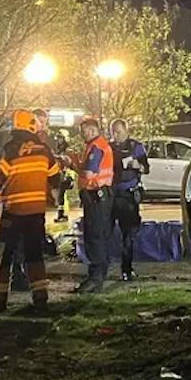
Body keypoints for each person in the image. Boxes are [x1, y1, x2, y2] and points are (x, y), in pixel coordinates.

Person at [0, 110, 63, 314]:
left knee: (4, 256)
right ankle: (40, 300)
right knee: (34, 255)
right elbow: (55, 178)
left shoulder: (10, 150)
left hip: (13, 212)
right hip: (36, 212)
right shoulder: (44, 150)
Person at [75, 117, 115, 293]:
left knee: (94, 237)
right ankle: (99, 275)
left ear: (91, 130)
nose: (82, 135)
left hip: (96, 198)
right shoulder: (99, 145)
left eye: (83, 131)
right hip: (102, 197)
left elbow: (89, 173)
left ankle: (95, 278)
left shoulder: (96, 147)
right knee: (101, 235)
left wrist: (71, 165)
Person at [108, 118, 148, 282]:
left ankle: (126, 269)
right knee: (105, 233)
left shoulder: (135, 147)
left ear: (126, 130)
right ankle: (101, 268)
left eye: (118, 131)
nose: (115, 135)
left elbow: (146, 168)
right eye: (113, 132)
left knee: (128, 235)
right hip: (111, 195)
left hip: (128, 196)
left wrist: (137, 165)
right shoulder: (108, 148)